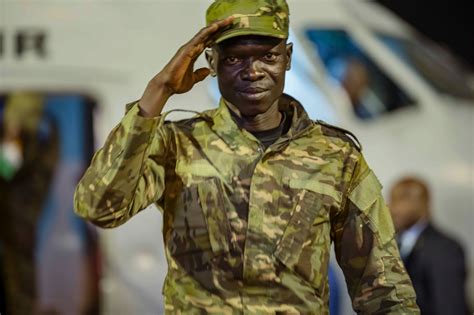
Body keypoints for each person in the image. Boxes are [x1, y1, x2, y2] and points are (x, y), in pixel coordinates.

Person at [74, 0, 419, 313]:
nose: (252, 71)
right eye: (235, 58)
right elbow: (100, 207)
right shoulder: (177, 145)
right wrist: (158, 92)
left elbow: (383, 287)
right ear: (211, 62)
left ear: (287, 57)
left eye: (267, 56)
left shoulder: (335, 156)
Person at [390, 177, 469, 315]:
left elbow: (450, 307)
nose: (393, 207)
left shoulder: (444, 248)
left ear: (423, 203)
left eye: (402, 200)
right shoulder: (394, 243)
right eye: (392, 200)